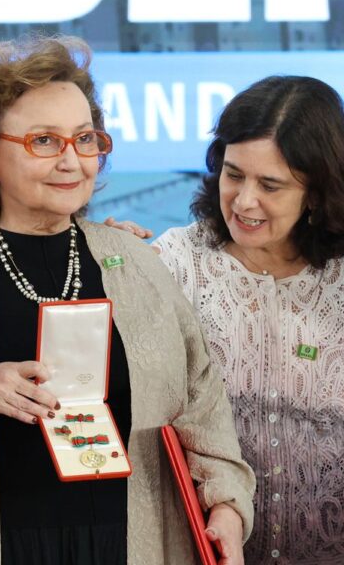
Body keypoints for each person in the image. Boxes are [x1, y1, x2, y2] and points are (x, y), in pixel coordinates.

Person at [0, 34, 255, 565]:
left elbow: (201, 403)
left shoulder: (137, 261)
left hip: (135, 543)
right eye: (44, 141)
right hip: (2, 544)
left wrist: (226, 506)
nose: (72, 161)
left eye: (85, 139)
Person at [109, 75, 344, 564]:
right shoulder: (176, 263)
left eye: (270, 185)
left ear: (317, 192)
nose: (243, 200)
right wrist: (108, 267)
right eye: (233, 175)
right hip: (202, 550)